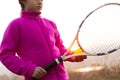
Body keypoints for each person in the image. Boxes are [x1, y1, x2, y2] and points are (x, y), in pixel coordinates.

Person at [0, 0, 87, 80]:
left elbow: (60, 49)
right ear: (23, 1)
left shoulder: (50, 24)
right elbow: (5, 54)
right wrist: (29, 69)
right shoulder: (16, 25)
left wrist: (73, 56)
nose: (40, 2)